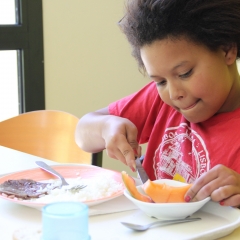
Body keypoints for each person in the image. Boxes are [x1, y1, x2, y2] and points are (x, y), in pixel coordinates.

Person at [75, 0, 240, 207]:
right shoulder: (159, 102)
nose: (173, 93)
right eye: (160, 81)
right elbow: (83, 134)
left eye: (184, 73)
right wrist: (107, 128)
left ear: (227, 50)